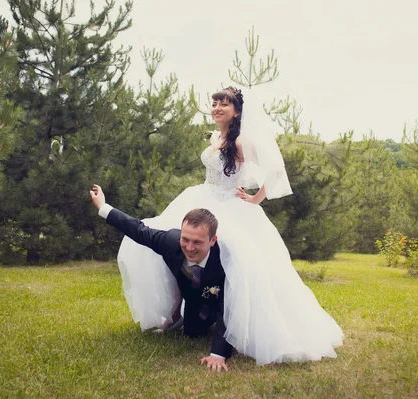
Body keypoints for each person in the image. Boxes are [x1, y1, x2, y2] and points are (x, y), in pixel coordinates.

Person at [113, 86, 343, 365]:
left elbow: (276, 170)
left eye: (224, 104)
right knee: (175, 249)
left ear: (236, 111)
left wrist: (256, 199)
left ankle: (239, 326)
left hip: (230, 208)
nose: (217, 107)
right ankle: (176, 314)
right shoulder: (214, 137)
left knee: (238, 268)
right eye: (214, 103)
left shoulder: (242, 142)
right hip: (202, 199)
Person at [90, 185, 232, 371]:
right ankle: (185, 316)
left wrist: (218, 354)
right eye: (185, 239)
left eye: (197, 242)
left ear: (212, 241)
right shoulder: (170, 242)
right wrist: (103, 207)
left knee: (228, 324)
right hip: (193, 299)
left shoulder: (225, 261)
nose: (189, 248)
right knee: (192, 333)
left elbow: (227, 307)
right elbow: (138, 230)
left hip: (224, 302)